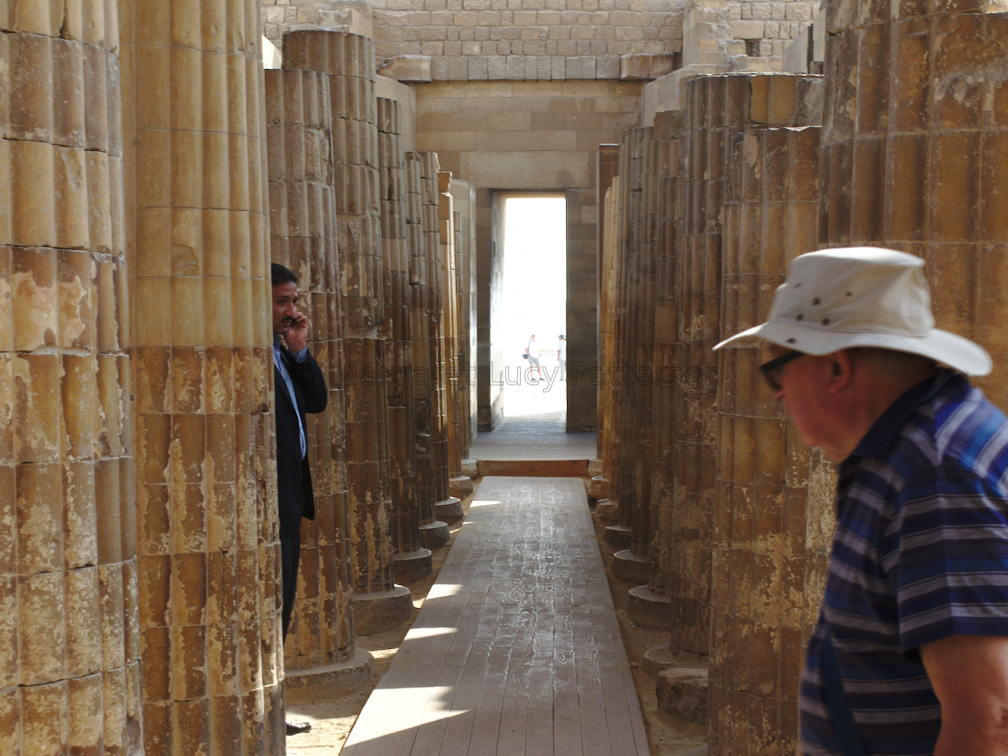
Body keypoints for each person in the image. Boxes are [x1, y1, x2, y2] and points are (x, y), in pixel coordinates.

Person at [715, 247, 1008, 755]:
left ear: (835, 369)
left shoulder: (935, 480)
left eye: (776, 371)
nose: (777, 394)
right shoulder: (902, 451)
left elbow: (989, 720)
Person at [271, 262, 328, 736]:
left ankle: (271, 706)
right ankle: (264, 709)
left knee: (282, 604)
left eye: (294, 300)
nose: (292, 310)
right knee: (270, 606)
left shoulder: (282, 351)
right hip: (267, 501)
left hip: (289, 498)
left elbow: (317, 401)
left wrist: (299, 348)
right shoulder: (250, 353)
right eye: (282, 302)